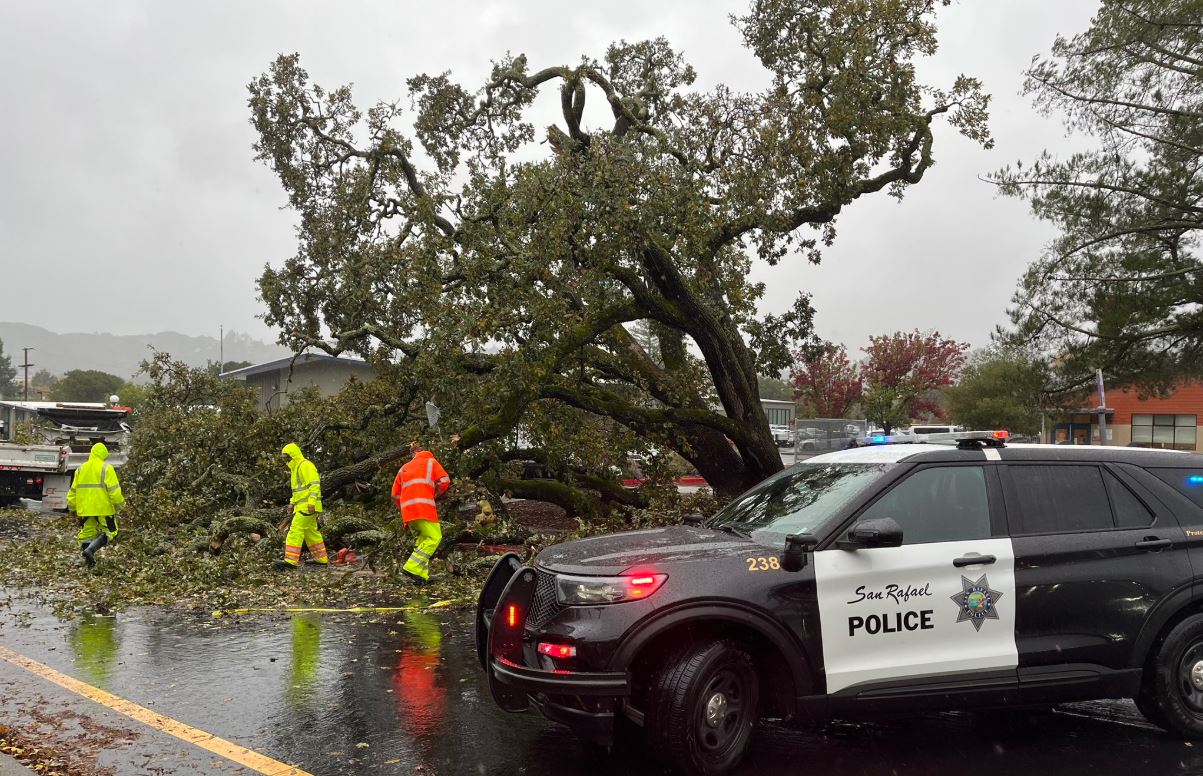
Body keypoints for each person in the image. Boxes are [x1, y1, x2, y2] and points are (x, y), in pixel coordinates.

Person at [392, 439, 452, 584]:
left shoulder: (403, 468)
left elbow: (394, 495)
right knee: (434, 537)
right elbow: (445, 481)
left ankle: (421, 575)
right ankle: (412, 567)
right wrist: (435, 494)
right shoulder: (431, 462)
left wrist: (404, 508)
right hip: (424, 508)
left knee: (421, 542)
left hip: (408, 512)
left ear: (414, 454)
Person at [67, 442, 124, 568]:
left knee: (86, 534)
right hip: (104, 509)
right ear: (104, 455)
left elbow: (72, 492)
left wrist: (72, 509)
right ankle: (90, 551)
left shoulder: (80, 469)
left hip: (85, 510)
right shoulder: (106, 468)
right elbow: (114, 491)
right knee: (110, 532)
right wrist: (121, 505)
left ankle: (89, 564)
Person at [275, 443, 328, 570]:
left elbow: (314, 485)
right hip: (303, 506)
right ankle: (321, 559)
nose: (286, 460)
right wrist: (292, 502)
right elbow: (298, 491)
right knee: (311, 532)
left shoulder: (305, 465)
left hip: (307, 506)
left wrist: (311, 502)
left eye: (287, 457)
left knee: (295, 530)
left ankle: (290, 561)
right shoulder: (295, 468)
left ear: (293, 455)